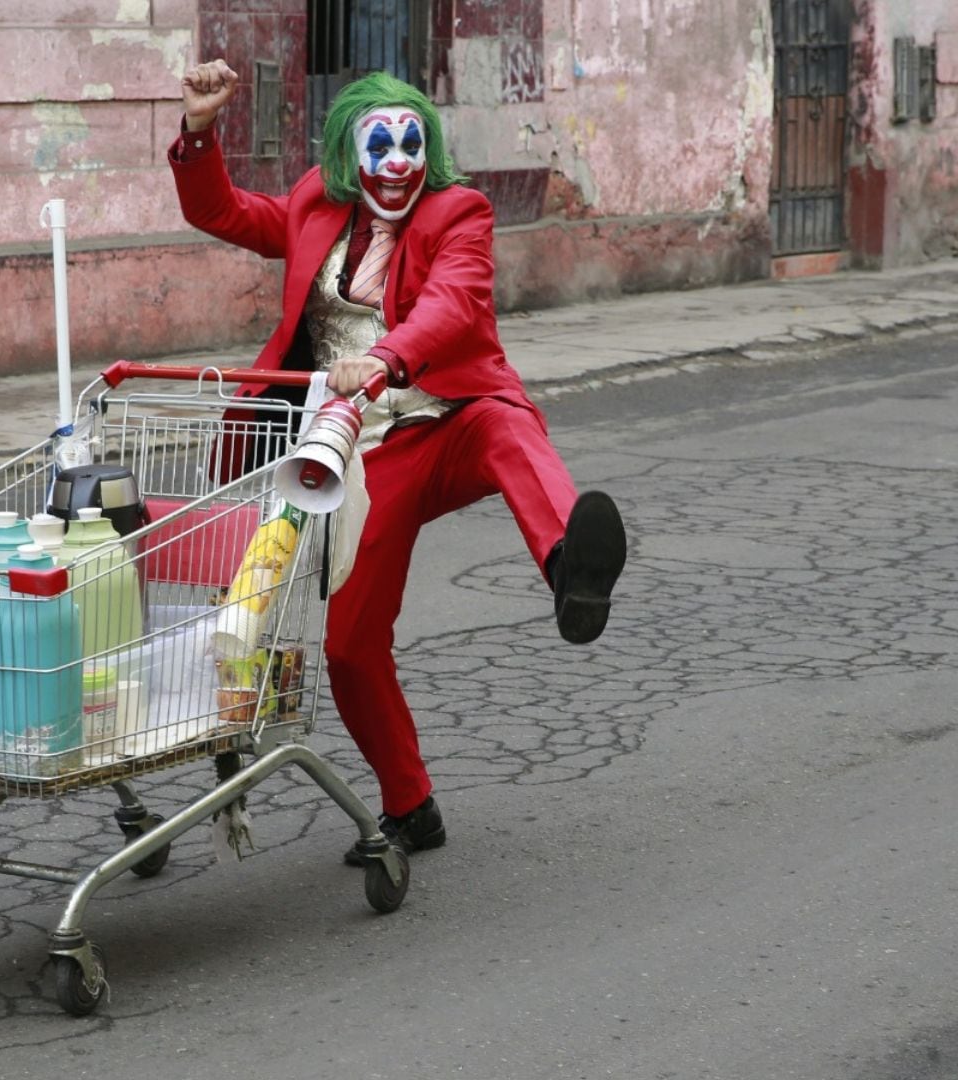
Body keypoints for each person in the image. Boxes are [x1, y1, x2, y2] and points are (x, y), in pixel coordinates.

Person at [170, 60, 627, 863]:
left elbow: (455, 304)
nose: (397, 161)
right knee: (349, 645)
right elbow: (224, 211)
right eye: (379, 143)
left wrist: (383, 358)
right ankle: (411, 806)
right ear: (350, 152)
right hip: (363, 448)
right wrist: (200, 131)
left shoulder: (461, 212)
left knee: (506, 429)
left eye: (412, 142)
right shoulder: (317, 201)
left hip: (442, 415)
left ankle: (570, 570)